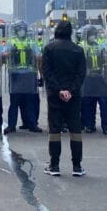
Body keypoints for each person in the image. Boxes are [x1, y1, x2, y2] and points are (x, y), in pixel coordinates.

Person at [42, 21, 87, 177]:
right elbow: (81, 74)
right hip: (73, 97)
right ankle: (77, 165)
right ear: (70, 33)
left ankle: (54, 165)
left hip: (55, 96)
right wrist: (70, 91)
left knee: (55, 130)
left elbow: (47, 73)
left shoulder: (49, 49)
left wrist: (59, 90)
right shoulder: (78, 50)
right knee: (75, 130)